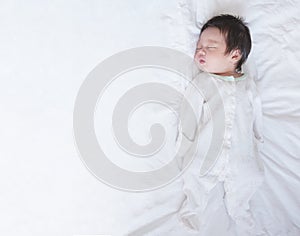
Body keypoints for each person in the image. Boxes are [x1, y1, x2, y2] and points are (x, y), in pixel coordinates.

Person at [177, 14, 265, 235]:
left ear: (234, 55)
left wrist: (257, 135)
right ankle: (193, 213)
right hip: (206, 151)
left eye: (210, 47)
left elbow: (257, 112)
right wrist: (185, 142)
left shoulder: (248, 86)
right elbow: (189, 111)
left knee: (249, 177)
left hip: (241, 153)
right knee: (194, 176)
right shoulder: (203, 82)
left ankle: (241, 212)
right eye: (198, 46)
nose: (200, 51)